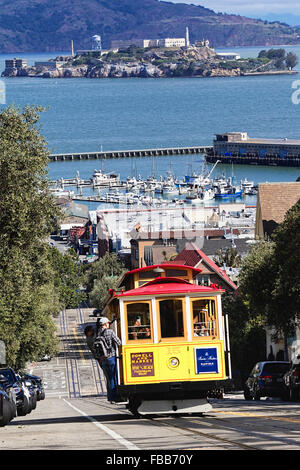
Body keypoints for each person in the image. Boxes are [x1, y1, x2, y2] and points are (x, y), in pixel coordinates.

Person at [96, 317, 121, 403]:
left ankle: (110, 397)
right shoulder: (110, 332)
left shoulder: (99, 333)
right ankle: (115, 397)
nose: (109, 324)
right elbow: (119, 342)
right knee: (114, 377)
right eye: (108, 323)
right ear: (106, 324)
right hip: (111, 357)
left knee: (109, 378)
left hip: (104, 359)